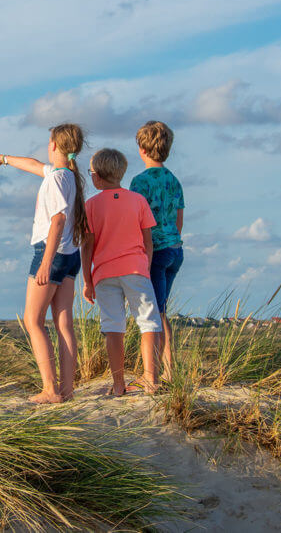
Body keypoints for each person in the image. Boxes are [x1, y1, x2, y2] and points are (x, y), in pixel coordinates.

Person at [0, 123, 88, 403]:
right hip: (70, 256)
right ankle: (67, 390)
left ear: (54, 145)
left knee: (33, 321)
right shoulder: (66, 175)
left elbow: (58, 221)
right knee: (64, 325)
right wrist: (4, 159)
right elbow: (33, 165)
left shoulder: (56, 180)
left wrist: (45, 263)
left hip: (51, 253)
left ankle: (50, 390)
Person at [81, 148, 163, 396]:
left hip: (105, 273)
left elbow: (88, 245)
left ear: (96, 176)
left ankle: (118, 385)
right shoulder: (138, 200)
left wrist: (87, 280)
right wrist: (145, 267)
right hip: (136, 268)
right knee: (149, 322)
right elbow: (148, 240)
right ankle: (151, 379)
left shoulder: (91, 205)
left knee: (113, 325)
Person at [129, 121, 184, 383]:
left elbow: (136, 220)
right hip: (175, 249)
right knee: (161, 309)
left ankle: (164, 371)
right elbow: (179, 218)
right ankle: (167, 369)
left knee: (156, 313)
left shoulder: (140, 182)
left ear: (141, 148)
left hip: (156, 252)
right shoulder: (174, 180)